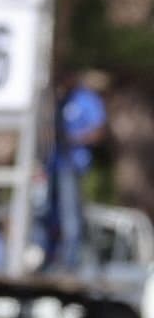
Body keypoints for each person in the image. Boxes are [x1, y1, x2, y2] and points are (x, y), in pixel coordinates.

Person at [41, 70, 108, 271]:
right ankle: (48, 257)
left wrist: (75, 139)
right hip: (54, 163)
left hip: (73, 164)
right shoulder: (60, 100)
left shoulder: (87, 100)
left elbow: (99, 130)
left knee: (71, 214)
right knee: (47, 212)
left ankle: (70, 260)